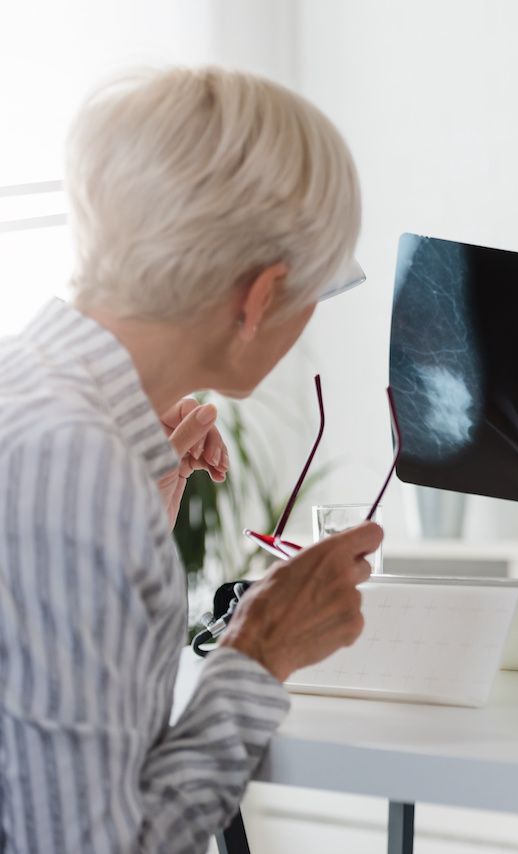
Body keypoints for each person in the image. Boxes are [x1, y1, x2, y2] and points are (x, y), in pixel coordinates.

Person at [0, 68, 380, 852]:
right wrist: (259, 652)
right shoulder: (76, 468)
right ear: (261, 296)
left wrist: (130, 500)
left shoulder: (34, 403)